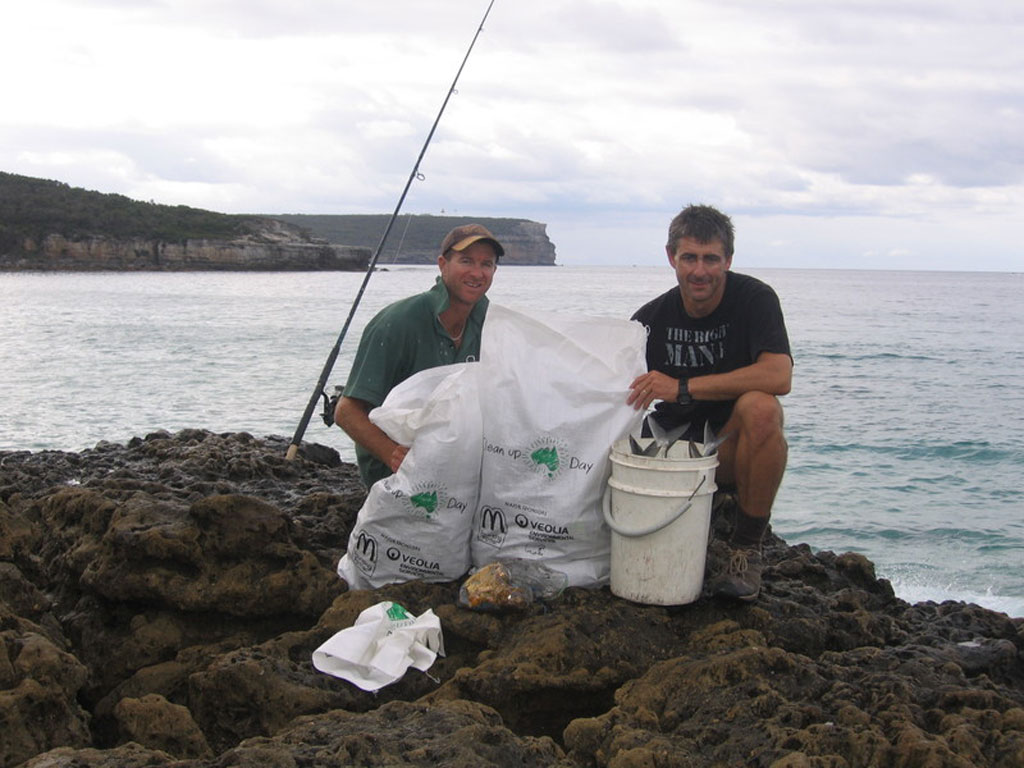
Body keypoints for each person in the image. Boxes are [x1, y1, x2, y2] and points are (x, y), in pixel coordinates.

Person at [627, 204, 792, 601]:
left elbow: (778, 376)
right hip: (671, 457)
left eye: (711, 259)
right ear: (672, 258)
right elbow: (612, 392)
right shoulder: (649, 318)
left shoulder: (755, 299)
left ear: (728, 260)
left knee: (762, 408)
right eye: (689, 258)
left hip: (728, 451)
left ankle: (746, 549)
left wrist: (683, 387)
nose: (700, 271)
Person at [335, 223, 503, 487]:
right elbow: (346, 412)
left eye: (487, 264)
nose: (477, 272)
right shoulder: (398, 322)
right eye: (466, 261)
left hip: (457, 474)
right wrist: (394, 456)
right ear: (442, 264)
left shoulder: (494, 325)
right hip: (394, 479)